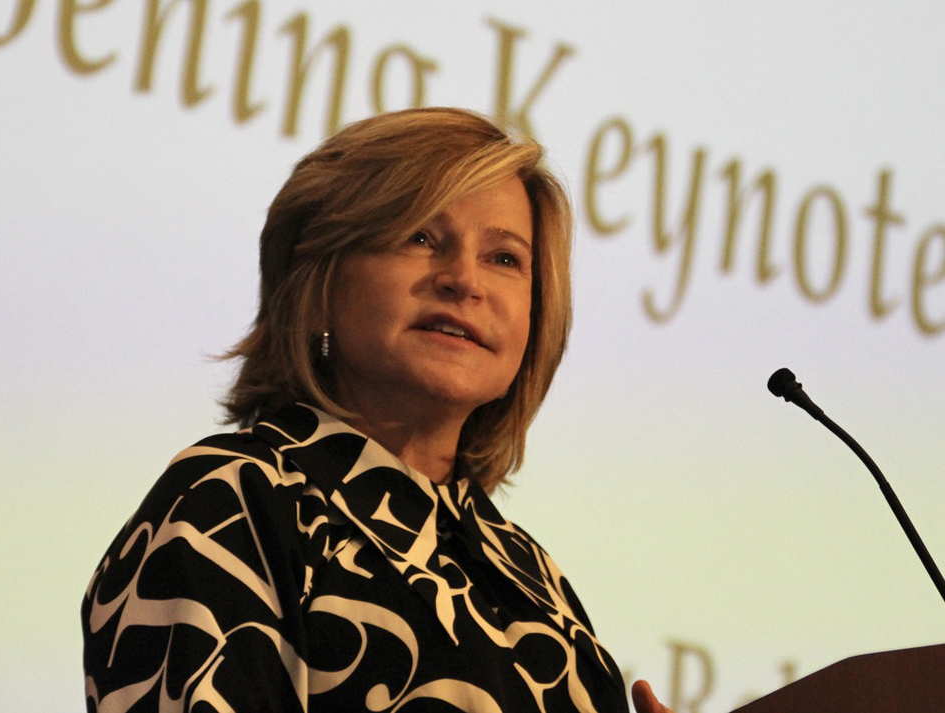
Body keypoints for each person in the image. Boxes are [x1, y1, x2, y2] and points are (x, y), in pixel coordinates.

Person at [81, 107, 672, 713]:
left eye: (504, 259)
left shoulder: (530, 575)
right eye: (420, 237)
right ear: (316, 287)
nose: (465, 281)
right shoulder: (235, 500)